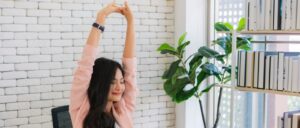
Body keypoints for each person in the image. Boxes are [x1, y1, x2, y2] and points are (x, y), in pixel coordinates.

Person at [69, 1, 137, 128]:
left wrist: (131, 22)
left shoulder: (122, 109)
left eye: (121, 81)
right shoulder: (82, 107)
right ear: (100, 83)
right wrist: (101, 17)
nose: (119, 87)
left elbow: (130, 69)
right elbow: (86, 63)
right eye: (112, 81)